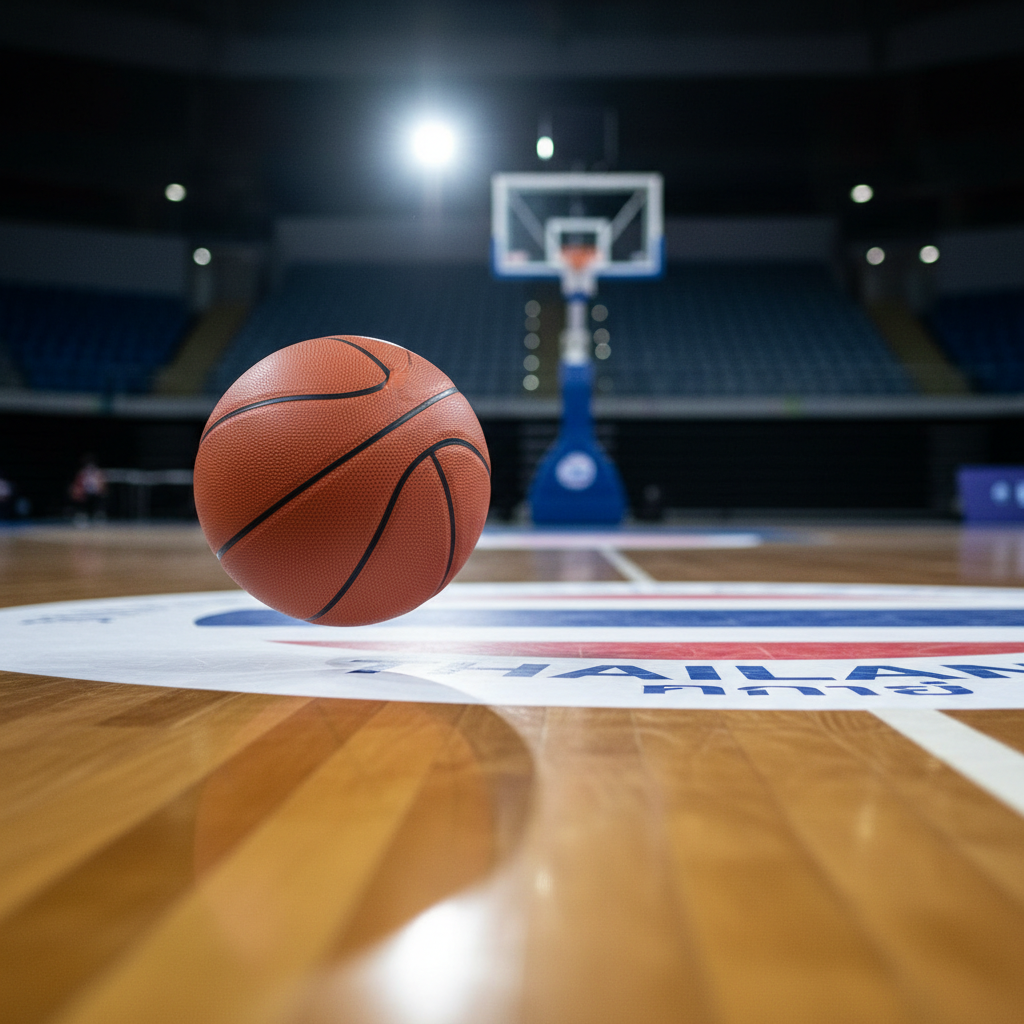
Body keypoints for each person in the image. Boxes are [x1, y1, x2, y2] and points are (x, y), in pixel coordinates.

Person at [70, 455, 107, 523]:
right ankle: (81, 515)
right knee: (79, 496)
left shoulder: (98, 473)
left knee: (101, 496)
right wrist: (78, 491)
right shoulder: (82, 473)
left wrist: (100, 489)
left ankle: (98, 515)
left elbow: (102, 484)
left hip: (96, 492)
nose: (90, 467)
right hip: (85, 492)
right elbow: (77, 484)